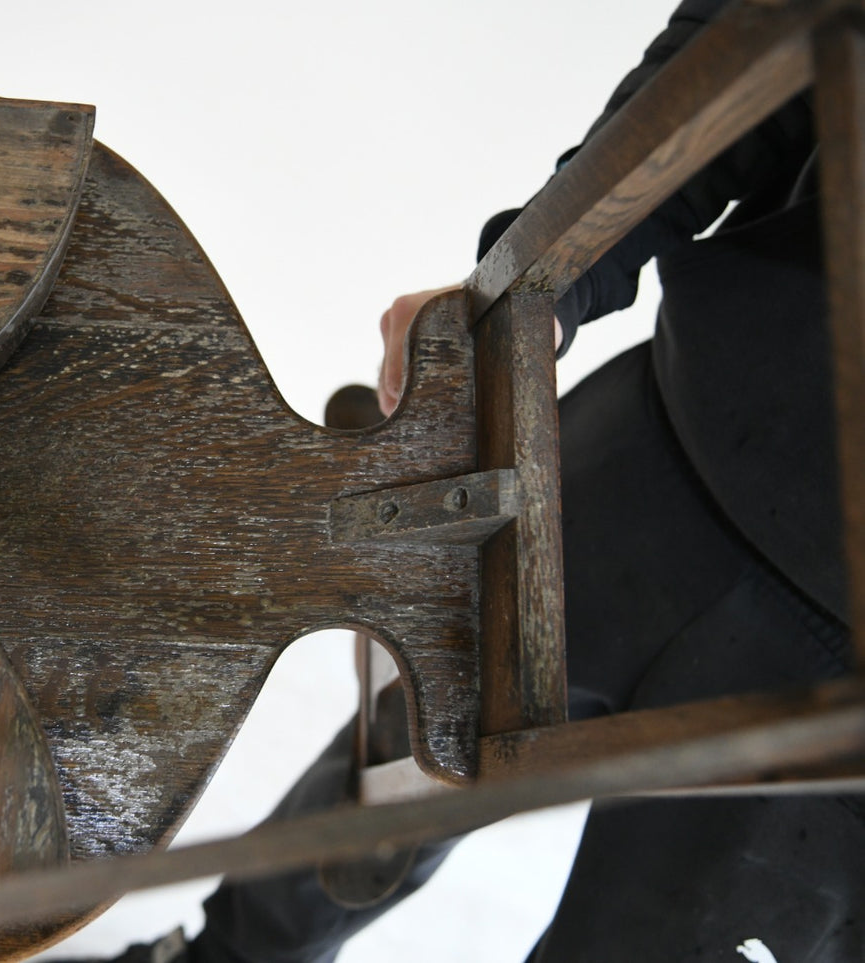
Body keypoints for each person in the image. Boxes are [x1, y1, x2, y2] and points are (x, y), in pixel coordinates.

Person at [68, 0, 864, 959]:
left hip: (838, 709)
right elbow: (753, 46)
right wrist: (538, 277)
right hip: (669, 441)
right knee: (388, 776)